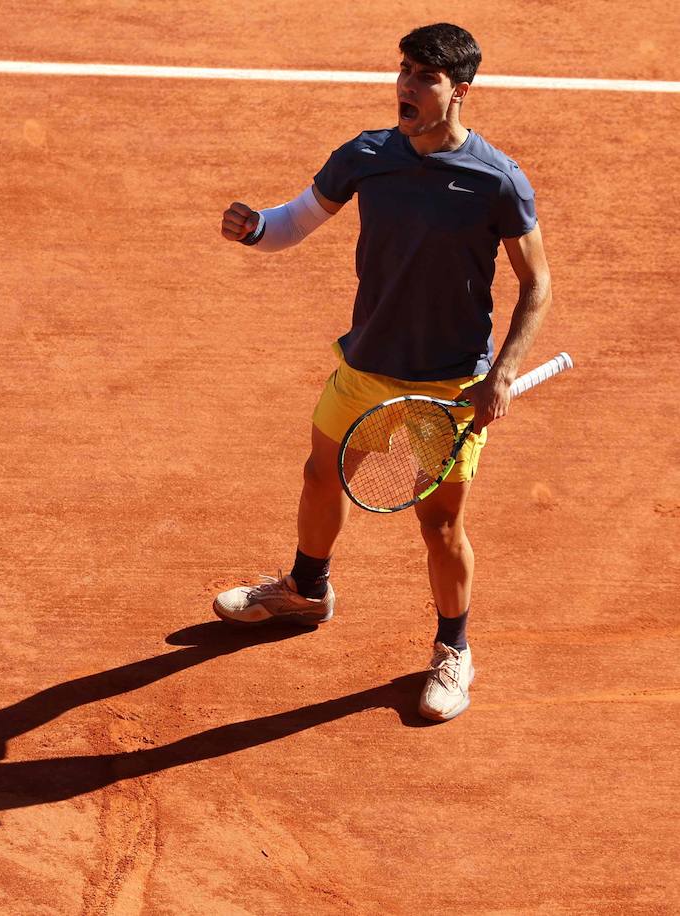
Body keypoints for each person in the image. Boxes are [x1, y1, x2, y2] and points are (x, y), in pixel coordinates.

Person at [213, 23, 553, 722]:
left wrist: (503, 372)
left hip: (449, 383)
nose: (406, 86)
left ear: (459, 92)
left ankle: (453, 651)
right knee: (321, 475)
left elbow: (537, 283)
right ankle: (308, 590)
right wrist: (253, 228)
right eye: (403, 71)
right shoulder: (367, 155)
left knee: (440, 527)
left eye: (424, 77)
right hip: (367, 364)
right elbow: (294, 222)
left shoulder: (497, 179)